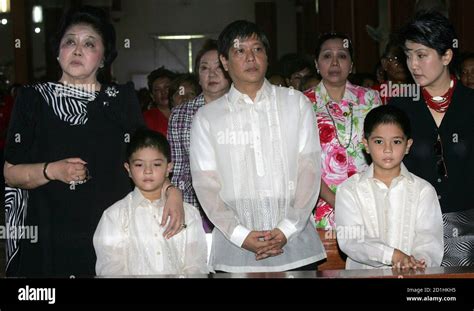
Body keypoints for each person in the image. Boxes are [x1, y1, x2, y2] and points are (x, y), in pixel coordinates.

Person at [3, 6, 184, 277]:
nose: (77, 50)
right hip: (47, 234)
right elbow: (10, 173)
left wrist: (172, 191)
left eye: (89, 43)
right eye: (69, 42)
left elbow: (147, 159)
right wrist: (51, 170)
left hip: (112, 233)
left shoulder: (120, 99)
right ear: (57, 52)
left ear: (102, 59)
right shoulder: (32, 99)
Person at [190, 20, 326, 273]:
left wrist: (286, 229)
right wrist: (241, 235)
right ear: (225, 61)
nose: (251, 57)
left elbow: (309, 171)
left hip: (295, 245)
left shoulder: (296, 104)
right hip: (235, 251)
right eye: (240, 51)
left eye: (258, 49)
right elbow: (206, 185)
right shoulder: (208, 118)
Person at [390, 10, 474, 266]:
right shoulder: (400, 107)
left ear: (447, 55)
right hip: (413, 229)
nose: (413, 65)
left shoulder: (470, 104)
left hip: (468, 230)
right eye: (408, 56)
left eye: (421, 55)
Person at [335, 105, 444, 270]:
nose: (387, 149)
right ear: (366, 144)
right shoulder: (349, 190)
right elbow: (351, 241)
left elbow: (429, 239)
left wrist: (417, 262)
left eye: (396, 141)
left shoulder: (423, 190)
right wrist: (393, 256)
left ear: (408, 145)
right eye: (379, 141)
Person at [93, 129, 208, 275]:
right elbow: (111, 270)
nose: (148, 171)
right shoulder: (114, 216)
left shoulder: (189, 213)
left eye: (157, 164)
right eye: (139, 165)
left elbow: (195, 266)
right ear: (128, 169)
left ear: (169, 168)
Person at [304, 32, 382, 229]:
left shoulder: (371, 99)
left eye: (342, 55)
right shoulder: (302, 102)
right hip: (319, 205)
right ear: (316, 63)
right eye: (327, 56)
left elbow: (382, 152)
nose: (335, 63)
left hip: (366, 204)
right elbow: (301, 162)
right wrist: (334, 200)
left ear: (352, 64)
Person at [168, 39, 230, 233]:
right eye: (204, 68)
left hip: (236, 206)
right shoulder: (181, 114)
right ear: (198, 76)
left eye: (218, 67)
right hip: (195, 207)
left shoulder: (244, 110)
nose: (211, 74)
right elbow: (178, 169)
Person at [372, 38, 411, 104]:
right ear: (384, 63)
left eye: (406, 58)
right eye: (396, 58)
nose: (401, 64)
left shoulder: (421, 92)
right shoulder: (373, 93)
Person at [143, 66, 176, 136]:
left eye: (167, 87)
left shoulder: (186, 113)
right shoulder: (146, 118)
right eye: (157, 90)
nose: (163, 92)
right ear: (152, 96)